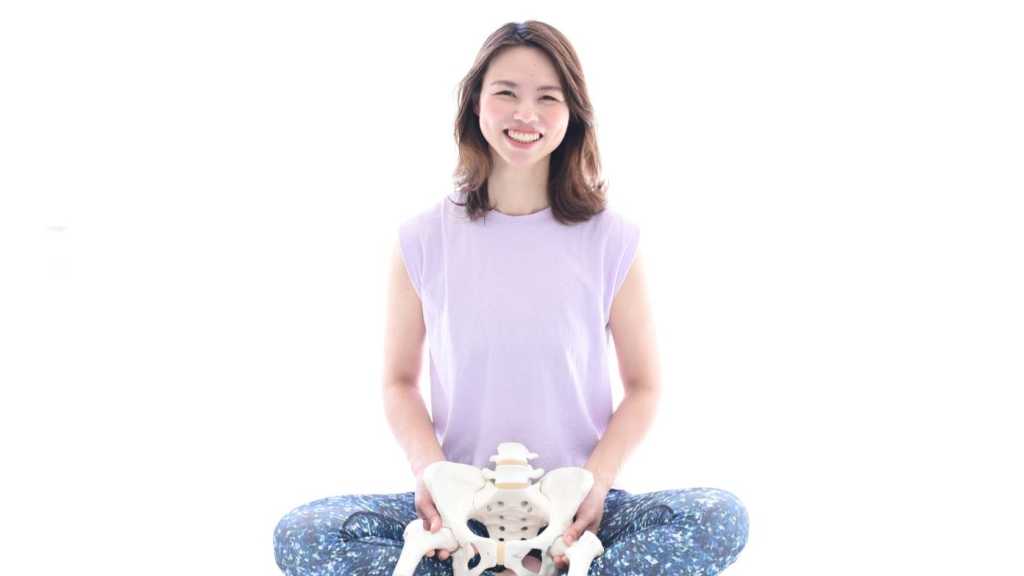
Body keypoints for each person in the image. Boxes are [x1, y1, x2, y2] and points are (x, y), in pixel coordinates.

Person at [273, 20, 749, 575]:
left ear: (572, 114)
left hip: (576, 515)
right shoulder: (421, 239)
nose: (526, 114)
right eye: (506, 93)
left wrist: (595, 485)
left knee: (719, 515)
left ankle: (555, 567)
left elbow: (644, 386)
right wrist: (432, 477)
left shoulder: (612, 240)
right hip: (461, 513)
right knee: (304, 533)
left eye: (548, 97)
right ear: (476, 103)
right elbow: (399, 381)